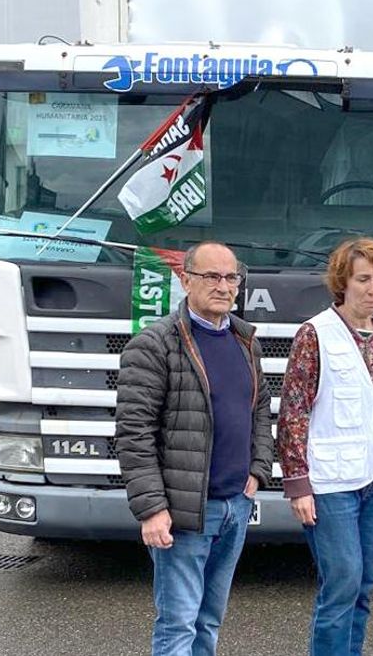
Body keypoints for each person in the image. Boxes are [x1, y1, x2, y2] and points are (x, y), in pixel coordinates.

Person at [115, 241, 274, 656]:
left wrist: (257, 473)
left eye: (231, 277)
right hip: (185, 511)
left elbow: (259, 410)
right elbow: (134, 433)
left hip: (234, 507)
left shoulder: (246, 342)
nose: (223, 286)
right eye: (211, 277)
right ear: (186, 280)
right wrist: (151, 509)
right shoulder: (154, 345)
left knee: (209, 621)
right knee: (178, 625)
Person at [276, 237, 373, 656]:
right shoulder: (315, 334)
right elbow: (293, 411)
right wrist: (298, 484)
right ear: (342, 284)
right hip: (331, 484)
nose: (372, 288)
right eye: (363, 279)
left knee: (365, 585)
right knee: (343, 582)